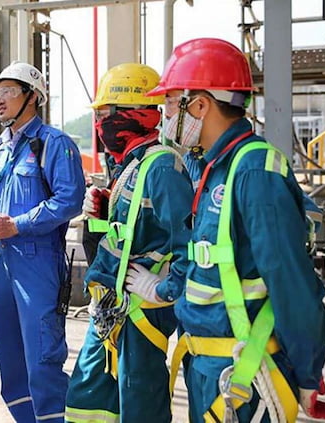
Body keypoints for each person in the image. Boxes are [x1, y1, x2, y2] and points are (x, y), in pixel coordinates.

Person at [147, 38, 325, 422]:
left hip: (244, 373)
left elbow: (290, 280)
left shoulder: (254, 172)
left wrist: (307, 371)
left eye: (170, 103)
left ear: (200, 105)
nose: (163, 116)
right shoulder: (211, 167)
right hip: (208, 366)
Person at [64, 63, 193, 423]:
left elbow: (189, 242)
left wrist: (163, 289)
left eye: (106, 114)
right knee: (86, 402)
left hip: (141, 310)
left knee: (140, 407)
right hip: (111, 306)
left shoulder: (162, 168)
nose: (100, 123)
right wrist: (101, 215)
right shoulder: (127, 165)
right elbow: (131, 233)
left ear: (135, 114)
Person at [0, 61, 84, 423]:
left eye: (8, 92)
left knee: (42, 356)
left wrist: (17, 225)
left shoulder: (54, 144)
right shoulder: (2, 150)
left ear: (33, 97)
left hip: (37, 262)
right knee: (5, 348)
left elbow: (69, 200)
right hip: (2, 262)